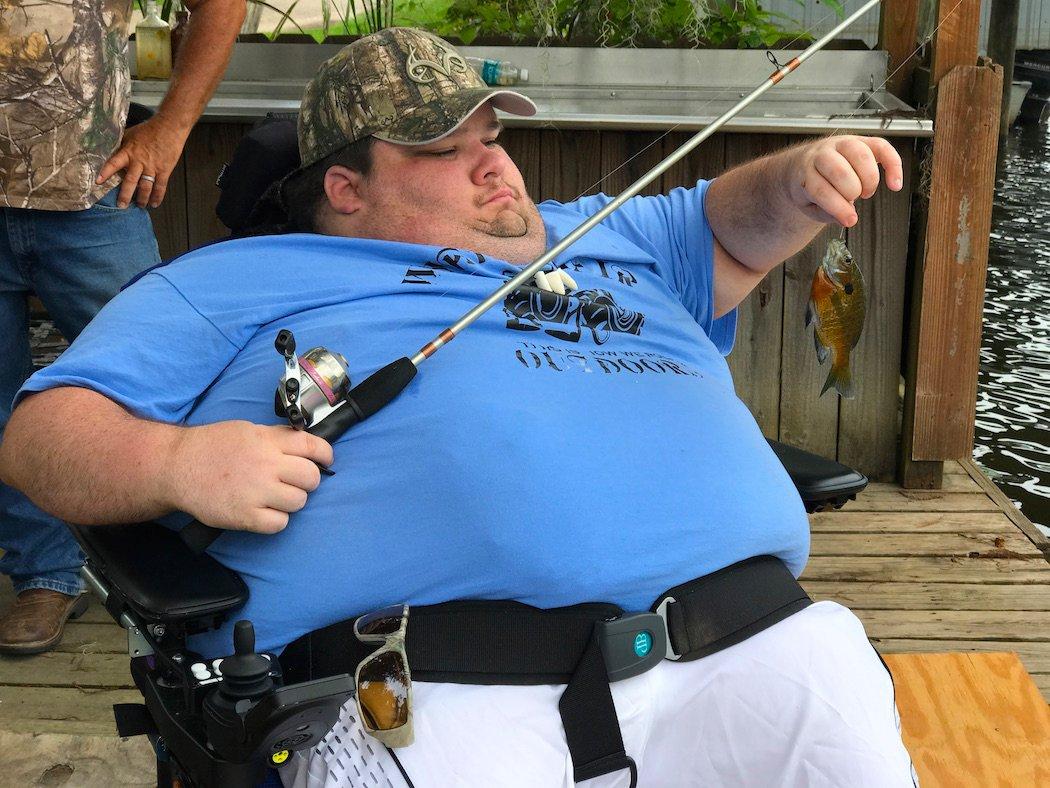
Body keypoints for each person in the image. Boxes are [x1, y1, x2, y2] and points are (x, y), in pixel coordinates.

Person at [0, 27, 916, 787]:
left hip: (762, 645)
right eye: (446, 150)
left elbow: (730, 223)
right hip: (433, 693)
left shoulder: (606, 230)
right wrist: (178, 465)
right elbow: (41, 440)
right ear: (346, 189)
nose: (494, 168)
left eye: (492, 137)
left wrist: (803, 179)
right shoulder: (232, 279)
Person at [0, 0, 246, 654]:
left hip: (90, 187)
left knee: (162, 383)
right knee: (3, 402)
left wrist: (171, 127)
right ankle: (44, 576)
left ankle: (197, 569)